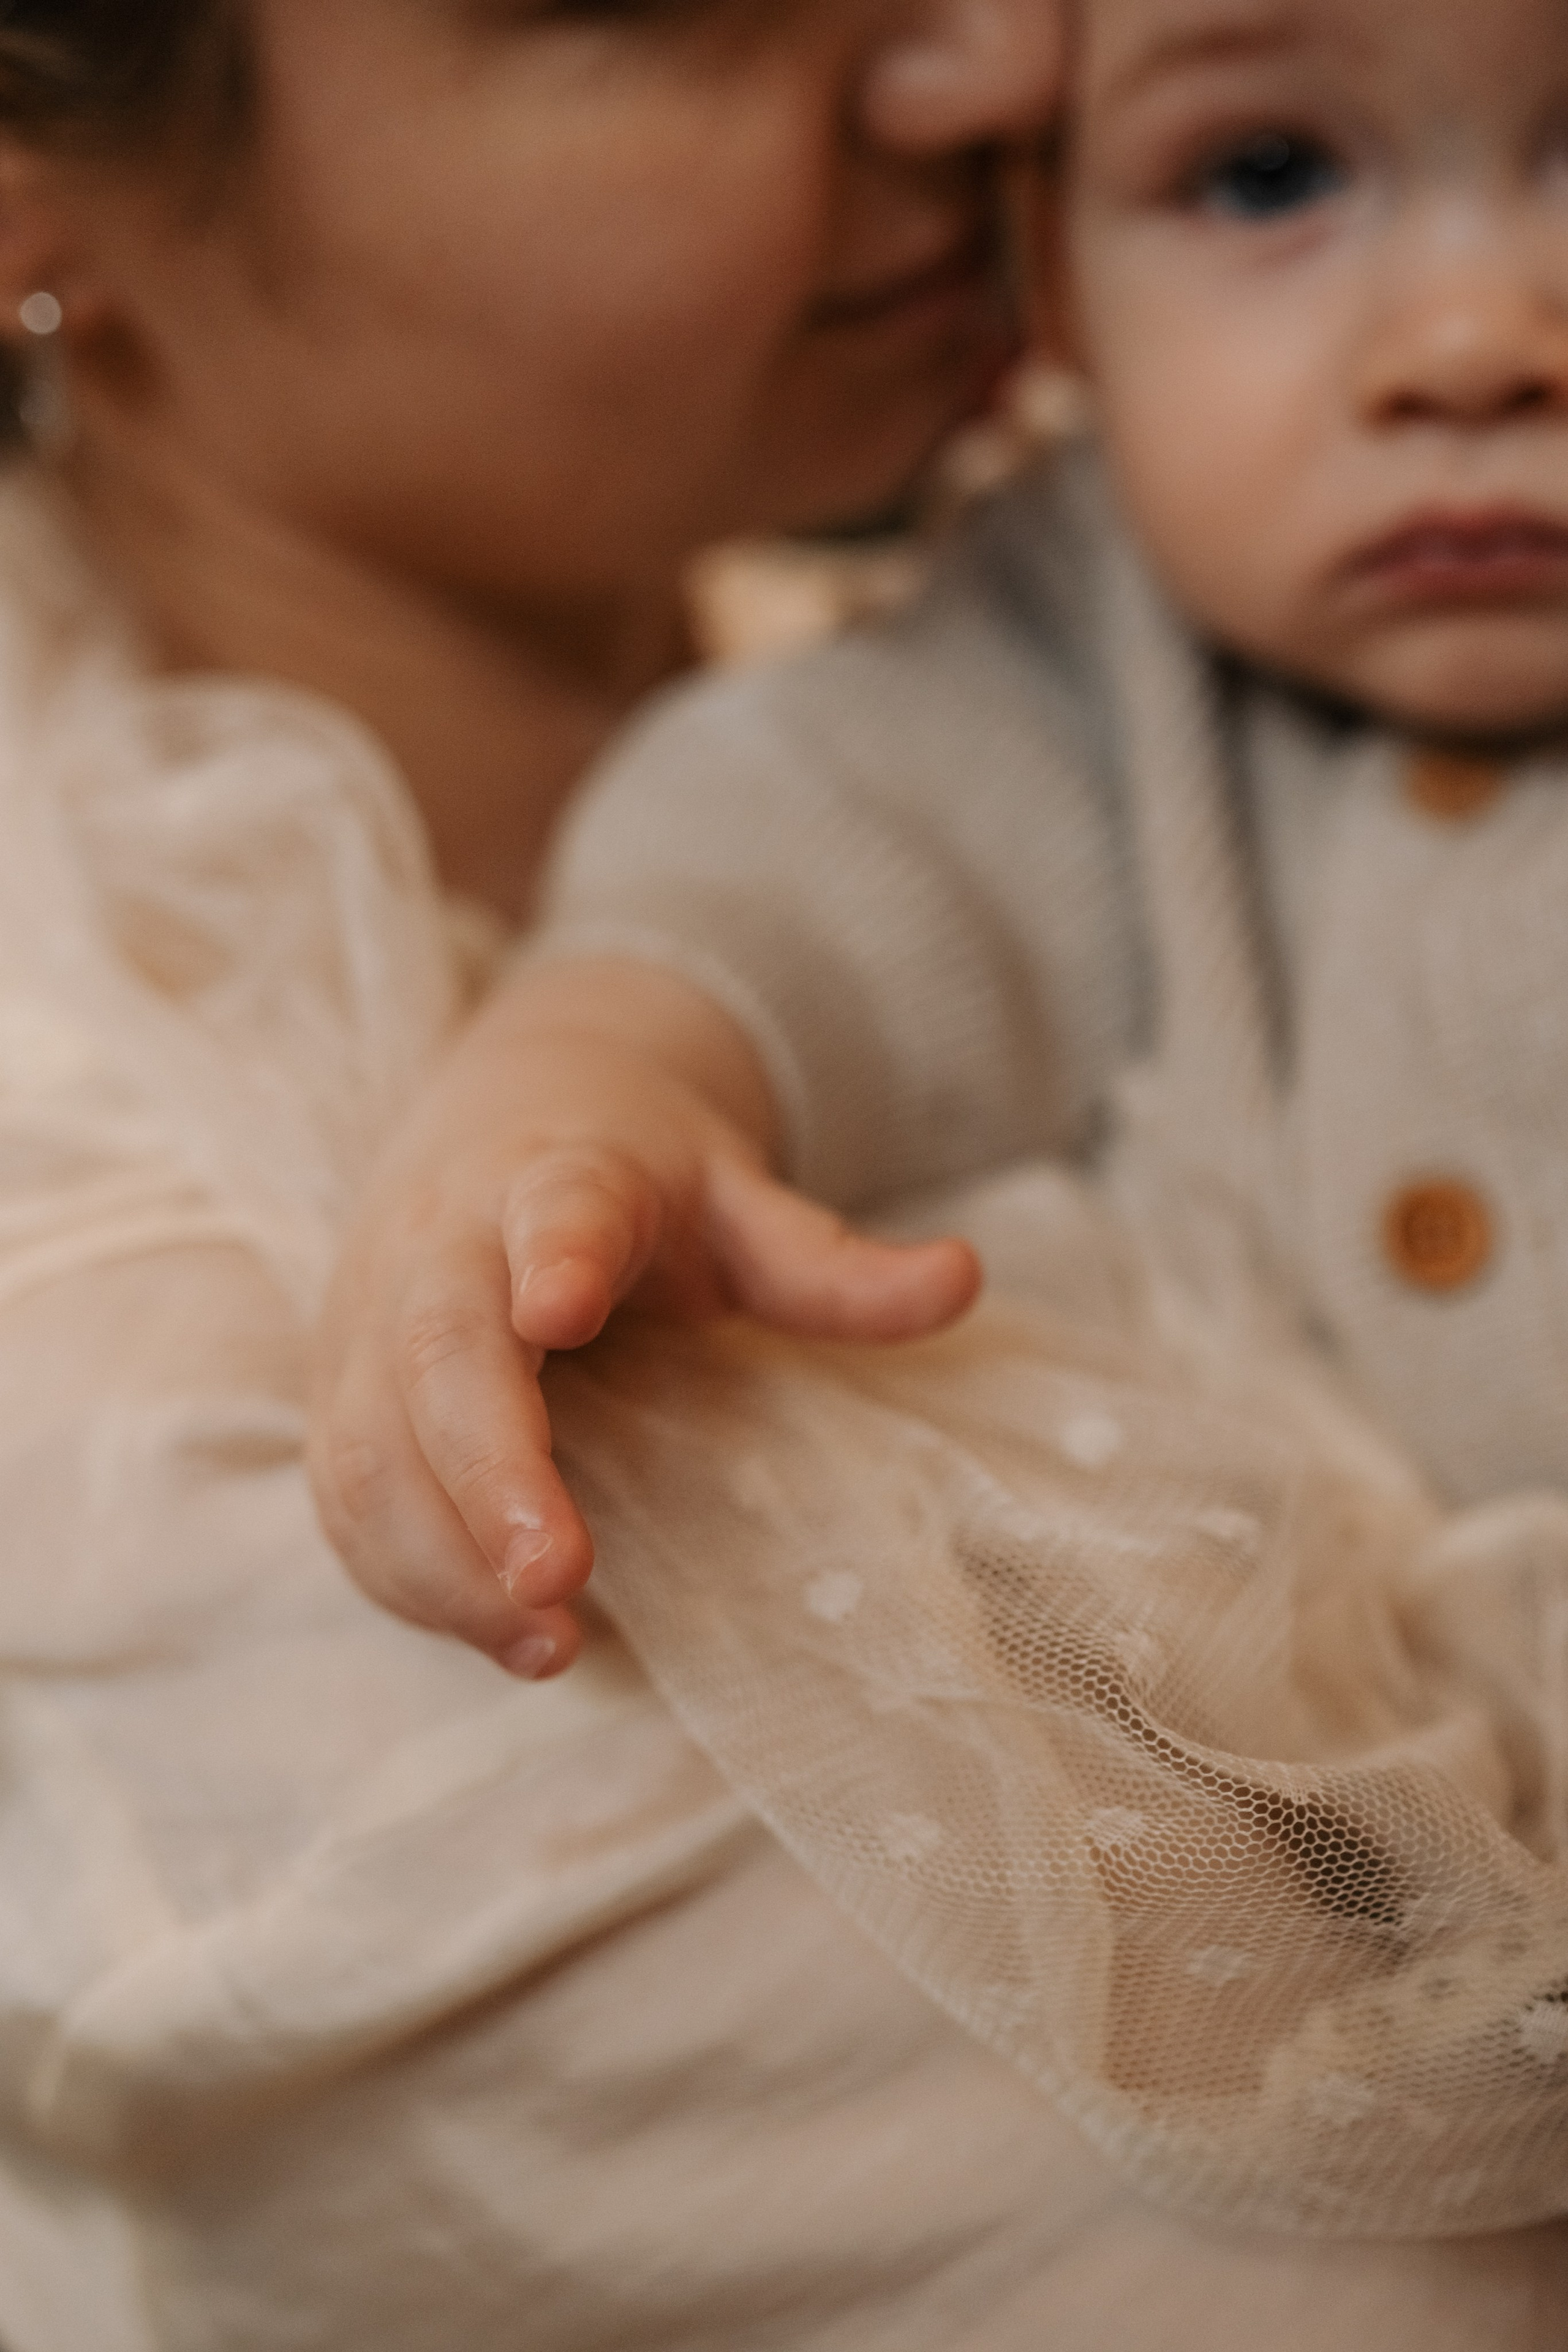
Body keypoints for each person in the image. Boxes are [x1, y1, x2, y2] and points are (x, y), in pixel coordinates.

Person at [306, 0, 1568, 2310]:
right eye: (1271, 177)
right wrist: (591, 1078)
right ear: (1058, 290)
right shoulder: (1084, 645)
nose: (1474, 342)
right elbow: (813, 849)